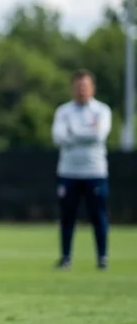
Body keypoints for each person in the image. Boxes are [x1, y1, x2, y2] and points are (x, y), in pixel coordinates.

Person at [51, 69, 111, 270]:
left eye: (85, 86)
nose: (82, 90)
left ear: (92, 87)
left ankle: (102, 257)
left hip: (95, 171)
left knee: (98, 216)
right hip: (68, 172)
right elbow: (59, 137)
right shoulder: (63, 111)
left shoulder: (102, 110)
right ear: (72, 88)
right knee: (67, 216)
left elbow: (99, 135)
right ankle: (66, 257)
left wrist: (74, 133)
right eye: (78, 86)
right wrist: (86, 133)